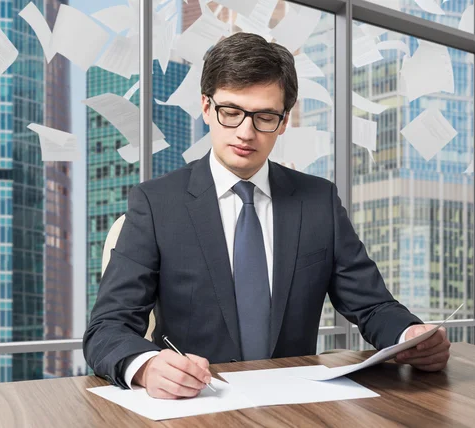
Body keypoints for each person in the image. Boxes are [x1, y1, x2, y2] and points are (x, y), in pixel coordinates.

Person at [83, 32, 451, 400]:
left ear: (284, 120)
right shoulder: (155, 202)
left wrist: (411, 337)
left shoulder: (318, 201)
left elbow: (373, 306)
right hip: (195, 404)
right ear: (207, 107)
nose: (246, 132)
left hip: (296, 406)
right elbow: (107, 328)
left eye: (264, 117)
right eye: (231, 112)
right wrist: (147, 367)